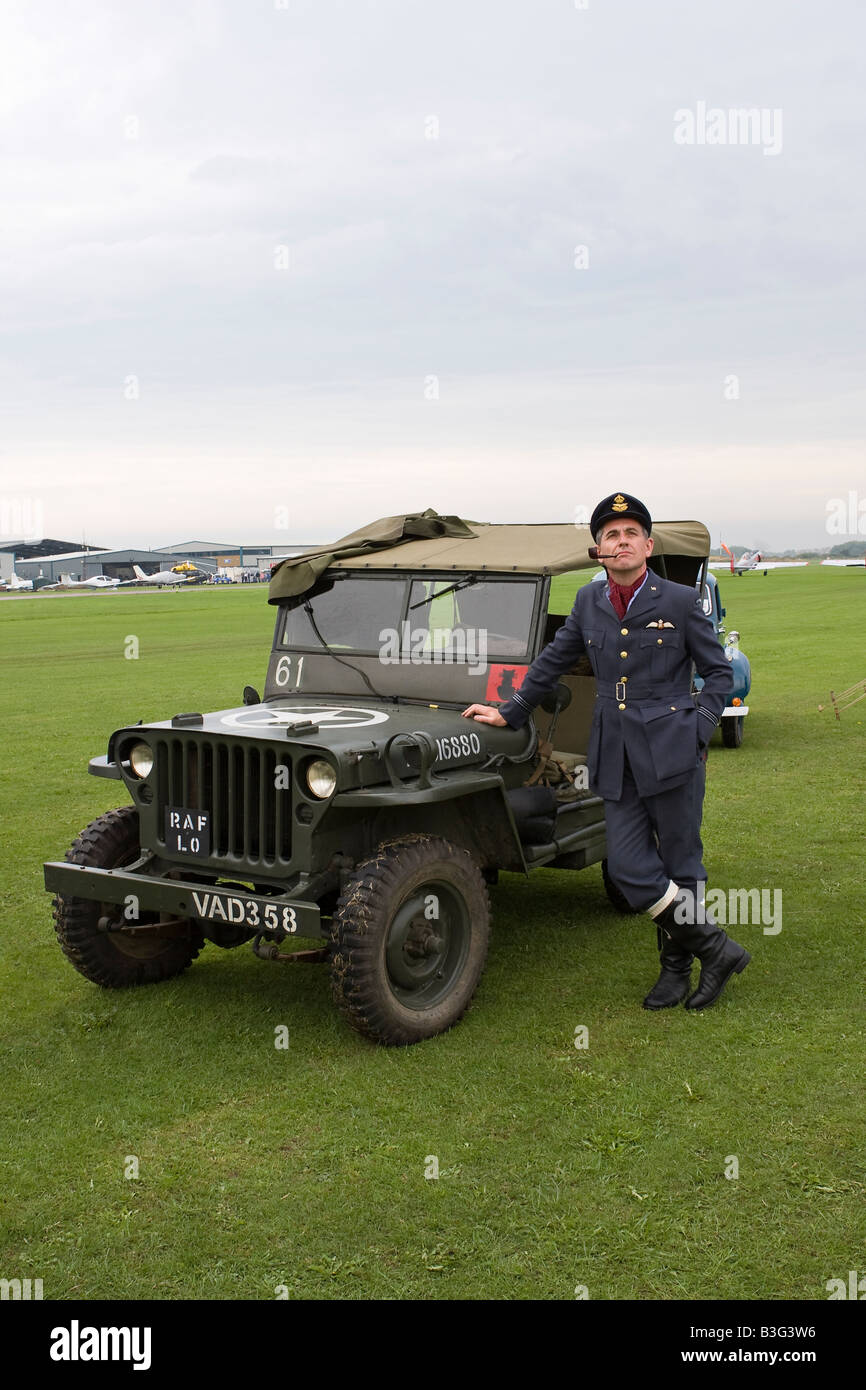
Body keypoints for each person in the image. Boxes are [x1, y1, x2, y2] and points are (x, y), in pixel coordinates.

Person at [462, 492, 750, 1011]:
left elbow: (719, 675)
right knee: (628, 870)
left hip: (673, 752)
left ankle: (675, 970)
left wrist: (697, 729)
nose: (621, 542)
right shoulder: (587, 602)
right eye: (610, 535)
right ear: (598, 550)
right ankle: (716, 948)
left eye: (630, 533)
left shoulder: (680, 601)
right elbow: (554, 659)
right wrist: (511, 710)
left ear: (647, 544)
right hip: (614, 754)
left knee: (681, 864)